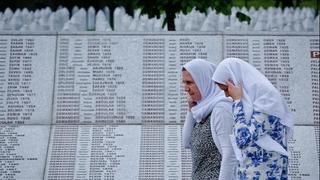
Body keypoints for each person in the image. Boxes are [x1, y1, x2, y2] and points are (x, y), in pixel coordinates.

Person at [212, 57, 294, 179]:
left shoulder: (267, 100)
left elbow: (242, 140)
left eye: (226, 89)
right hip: (250, 172)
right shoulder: (251, 101)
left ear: (234, 80)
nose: (226, 95)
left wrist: (237, 101)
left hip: (266, 172)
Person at [181, 59, 238, 180]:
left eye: (190, 82)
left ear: (204, 81)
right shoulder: (202, 111)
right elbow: (186, 143)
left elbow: (230, 154)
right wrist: (190, 110)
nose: (185, 88)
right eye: (184, 82)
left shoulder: (221, 109)